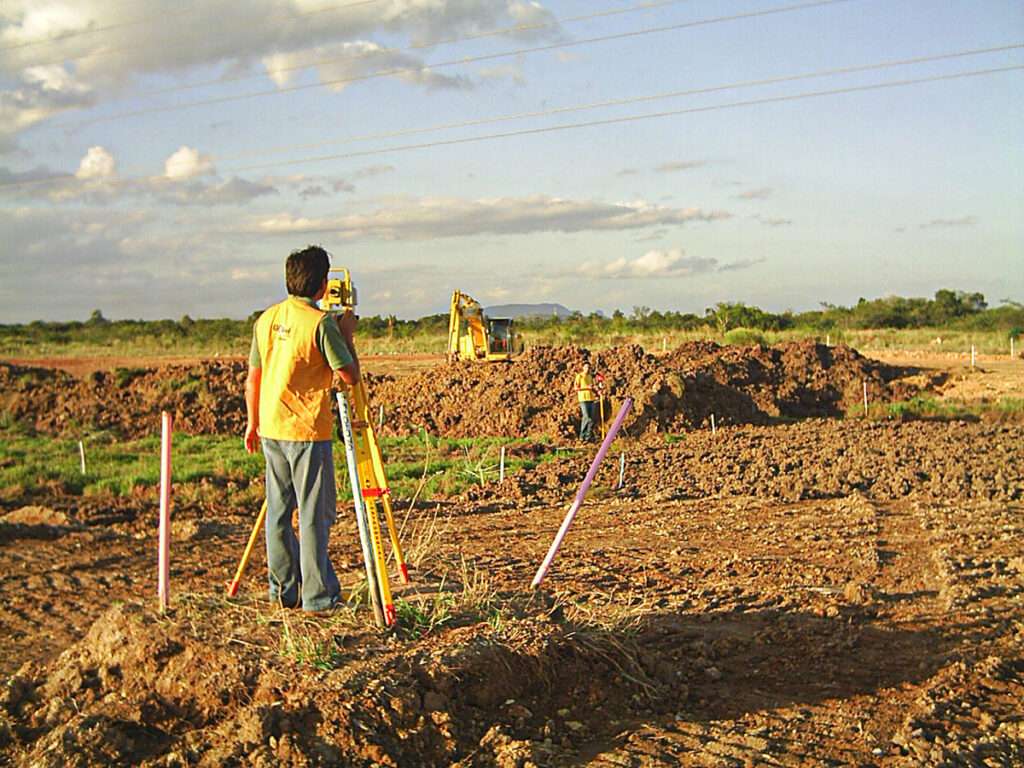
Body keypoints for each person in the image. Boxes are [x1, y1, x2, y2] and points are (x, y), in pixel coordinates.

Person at [244, 245, 360, 612]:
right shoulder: (321, 324)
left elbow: (253, 378)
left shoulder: (266, 320)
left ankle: (283, 591)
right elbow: (349, 375)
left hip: (271, 428)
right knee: (313, 516)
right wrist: (347, 334)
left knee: (278, 512)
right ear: (324, 284)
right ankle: (319, 597)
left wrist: (252, 422)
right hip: (307, 432)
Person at [574, 362, 599, 442]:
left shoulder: (590, 376)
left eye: (589, 367)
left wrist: (597, 391)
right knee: (586, 417)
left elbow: (591, 387)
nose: (588, 369)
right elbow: (576, 388)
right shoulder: (579, 376)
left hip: (591, 398)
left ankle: (588, 437)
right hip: (583, 399)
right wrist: (586, 387)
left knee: (591, 419)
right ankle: (582, 435)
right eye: (586, 367)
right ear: (583, 368)